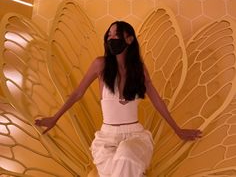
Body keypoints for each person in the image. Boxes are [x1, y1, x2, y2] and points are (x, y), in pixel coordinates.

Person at [35, 21, 202, 177]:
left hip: (135, 138)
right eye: (109, 35)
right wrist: (54, 118)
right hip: (107, 139)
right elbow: (78, 93)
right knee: (121, 168)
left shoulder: (139, 70)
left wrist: (177, 130)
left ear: (129, 39)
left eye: (116, 34)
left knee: (126, 152)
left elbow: (157, 101)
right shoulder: (100, 64)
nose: (111, 38)